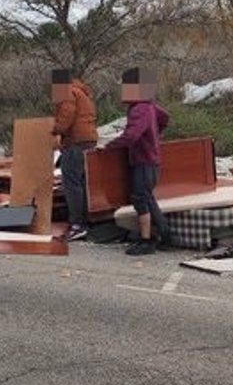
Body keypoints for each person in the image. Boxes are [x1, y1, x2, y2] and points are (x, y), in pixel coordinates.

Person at [112, 68, 170, 255]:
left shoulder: (139, 108)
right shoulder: (150, 105)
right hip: (151, 160)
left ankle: (147, 241)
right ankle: (165, 235)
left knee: (140, 199)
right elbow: (165, 118)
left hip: (143, 161)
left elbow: (131, 136)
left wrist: (109, 146)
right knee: (148, 199)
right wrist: (155, 135)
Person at [50, 69, 98, 242]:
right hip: (89, 140)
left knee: (71, 183)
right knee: (83, 183)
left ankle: (77, 224)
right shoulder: (82, 92)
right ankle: (86, 221)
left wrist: (55, 130)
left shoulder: (68, 92)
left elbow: (66, 115)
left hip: (75, 141)